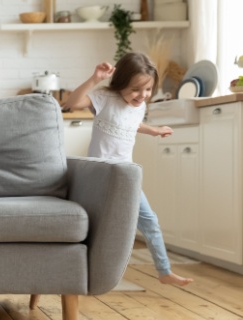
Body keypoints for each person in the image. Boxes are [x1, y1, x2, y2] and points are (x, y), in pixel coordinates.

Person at [63, 52, 193, 286]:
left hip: (126, 176)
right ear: (120, 83)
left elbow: (131, 123)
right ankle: (79, 270)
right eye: (135, 90)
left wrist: (153, 130)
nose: (142, 95)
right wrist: (95, 79)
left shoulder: (139, 106)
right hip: (101, 175)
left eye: (148, 89)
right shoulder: (104, 98)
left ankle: (164, 271)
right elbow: (72, 104)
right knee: (96, 225)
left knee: (149, 221)